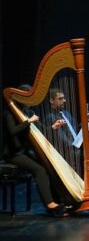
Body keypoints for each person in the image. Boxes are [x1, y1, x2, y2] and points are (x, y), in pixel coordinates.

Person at [3, 85, 71, 217]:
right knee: (40, 170)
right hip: (13, 154)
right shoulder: (9, 113)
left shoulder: (27, 112)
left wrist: (54, 126)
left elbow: (41, 130)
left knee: (49, 166)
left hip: (25, 152)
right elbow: (13, 131)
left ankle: (60, 200)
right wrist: (29, 121)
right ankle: (50, 205)